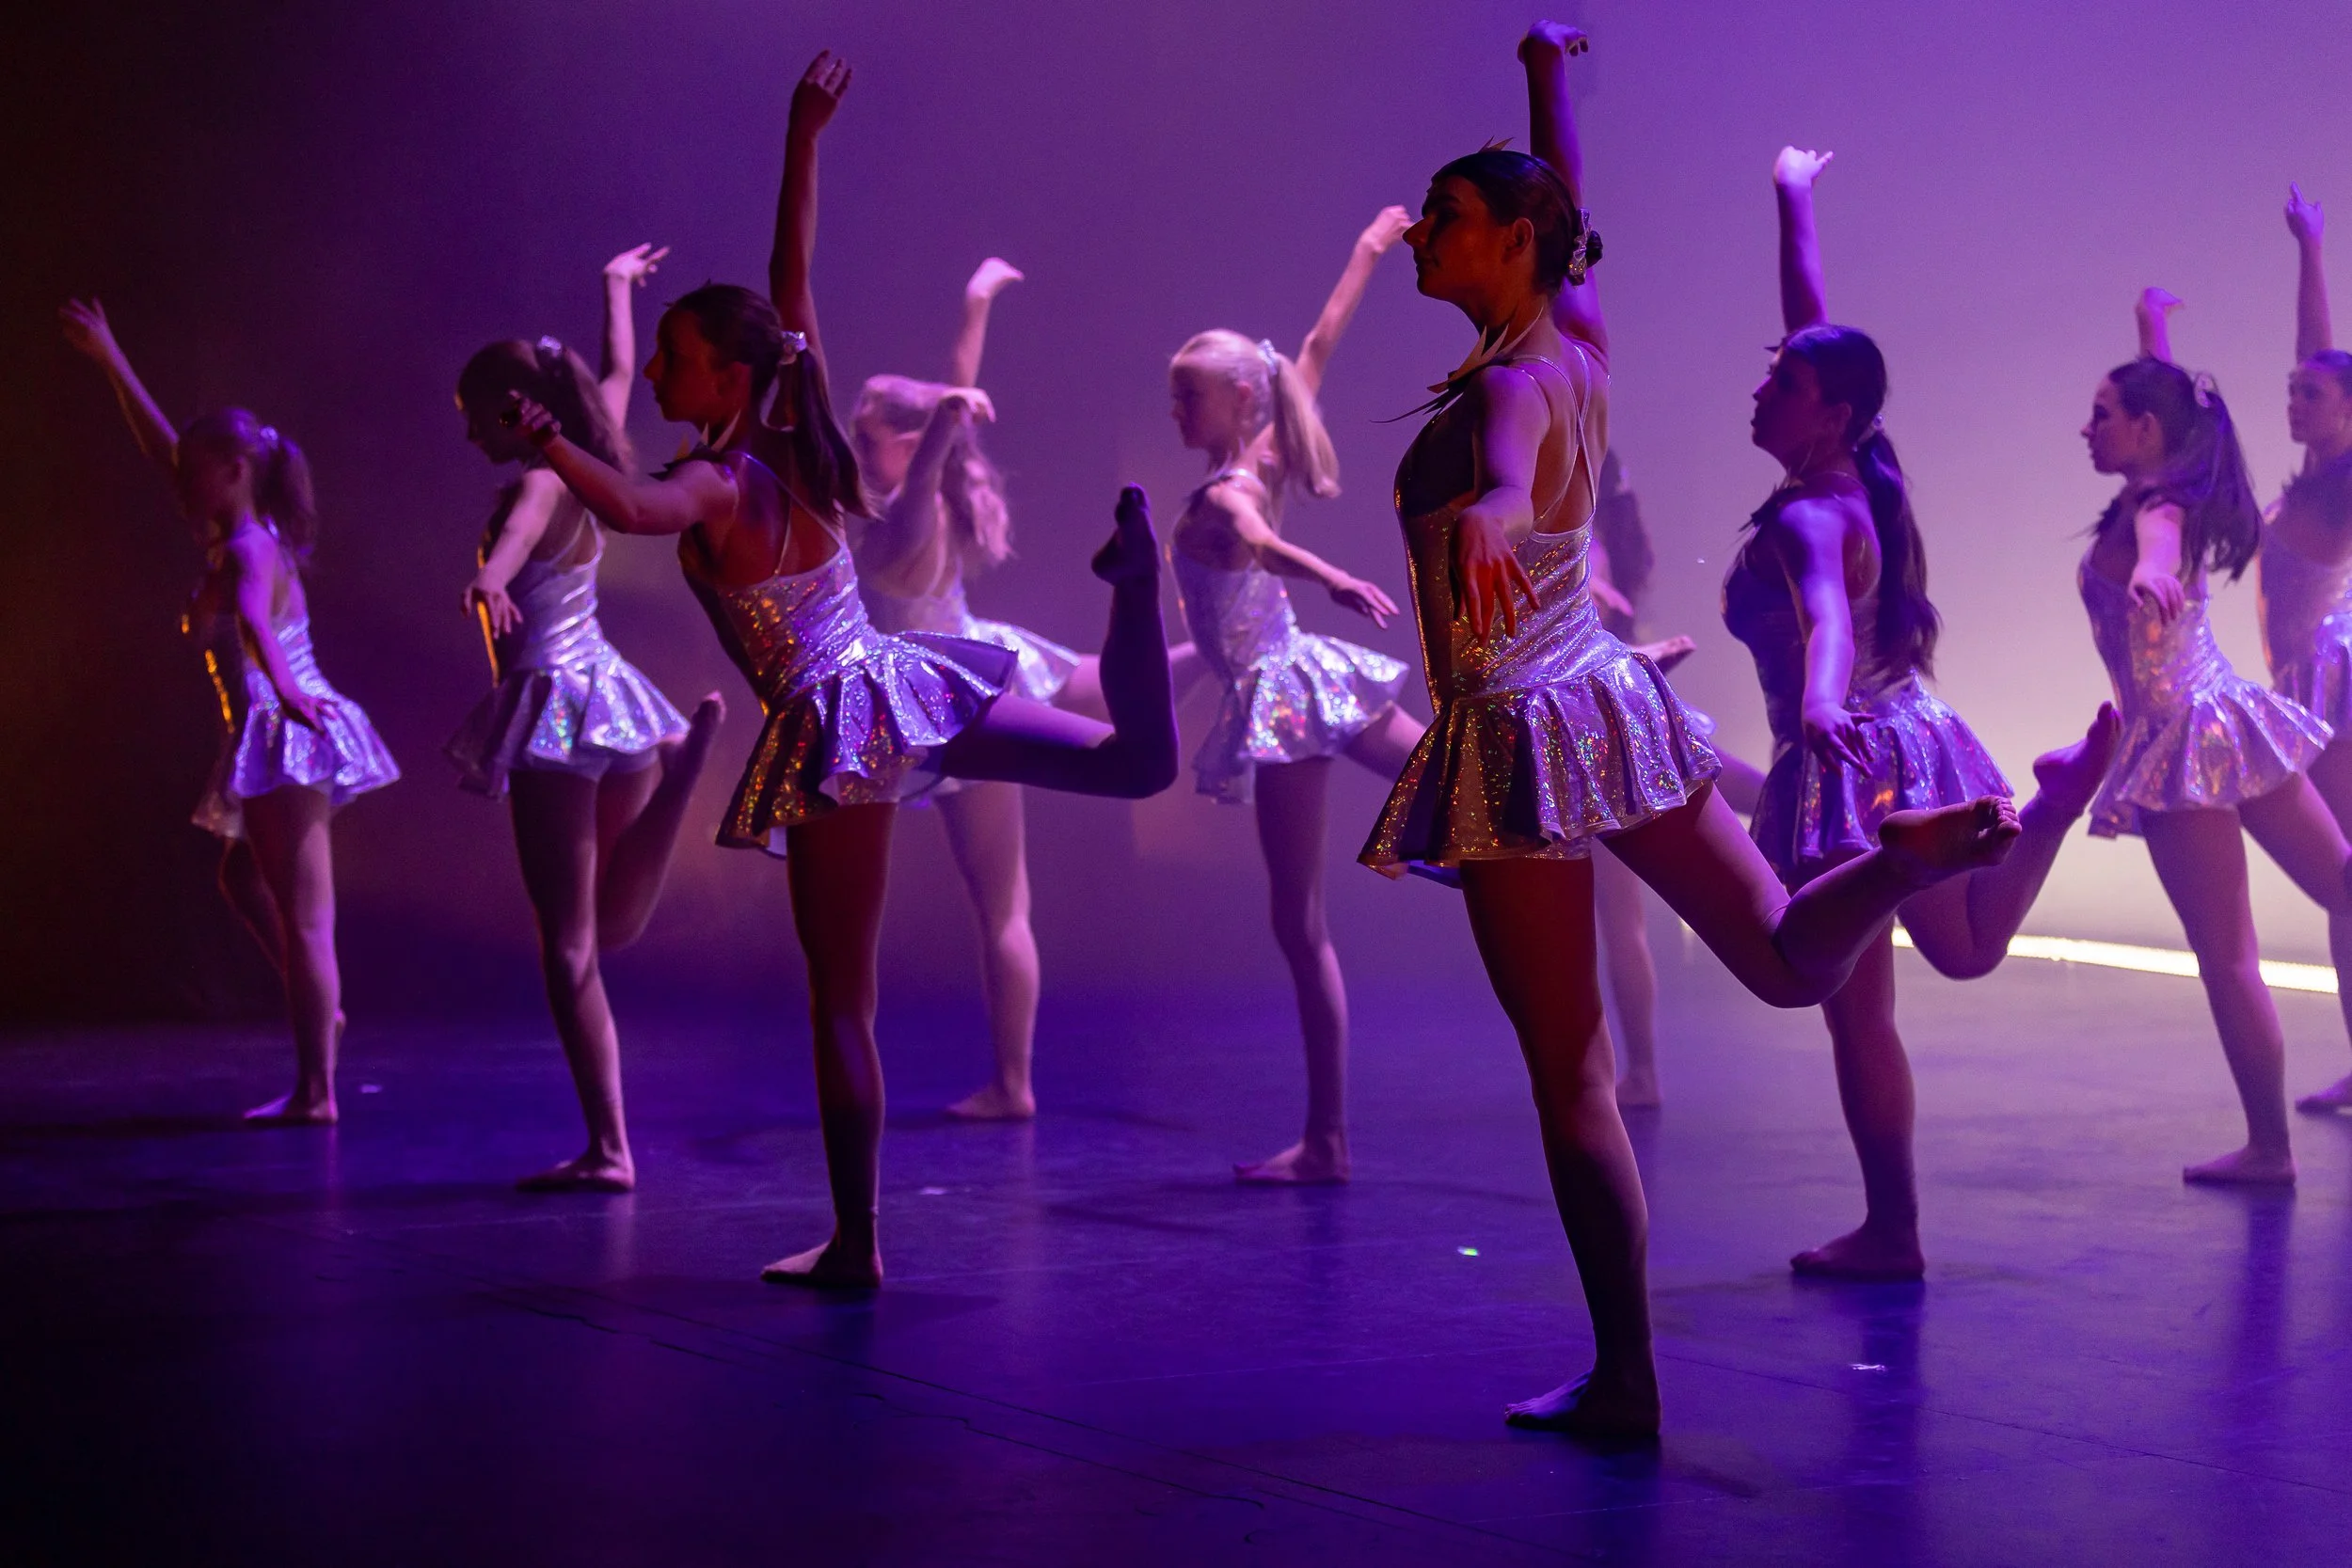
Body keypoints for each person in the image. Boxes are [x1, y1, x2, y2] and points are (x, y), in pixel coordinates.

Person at [1358, 24, 2016, 1437]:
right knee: (1788, 962)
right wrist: (1547, 82)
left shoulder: (1515, 387)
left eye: (1449, 214)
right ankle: (1896, 867)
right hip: (1607, 693)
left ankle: (1629, 1374)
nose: (1422, 227)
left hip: (1523, 733)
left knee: (1571, 1069)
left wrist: (1485, 517)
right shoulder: (1576, 335)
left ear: (1517, 237)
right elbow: (1572, 226)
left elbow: (1509, 470)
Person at [505, 52, 1177, 1289]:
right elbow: (790, 279)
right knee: (1135, 761)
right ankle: (1134, 595)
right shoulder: (792, 437)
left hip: (834, 722)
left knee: (842, 1001)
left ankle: (857, 1241)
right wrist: (803, 136)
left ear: (727, 375)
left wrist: (546, 434)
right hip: (902, 677)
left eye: (675, 356)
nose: (657, 374)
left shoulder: (716, 475)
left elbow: (636, 508)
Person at [1723, 146, 2121, 1276]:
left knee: (1856, 1008)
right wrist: (1793, 198)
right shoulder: (1860, 460)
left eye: (1778, 384)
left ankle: (1891, 1230)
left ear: (1825, 412)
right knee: (1967, 953)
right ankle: (2043, 811)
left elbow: (1825, 619)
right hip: (1917, 732)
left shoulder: (1808, 517)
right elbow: (1817, 329)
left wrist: (1810, 702)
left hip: (1849, 749)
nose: (1760, 387)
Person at [60, 298, 400, 1124]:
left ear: (235, 471)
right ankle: (318, 1012)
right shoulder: (239, 531)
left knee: (306, 916)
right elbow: (162, 447)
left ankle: (317, 1091)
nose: (181, 479)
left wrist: (285, 693)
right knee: (242, 878)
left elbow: (253, 618)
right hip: (274, 723)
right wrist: (111, 360)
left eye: (197, 470)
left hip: (289, 728)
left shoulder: (249, 548)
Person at [446, 243, 725, 1190]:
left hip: (556, 711)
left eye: (471, 419)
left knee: (568, 946)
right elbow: (609, 376)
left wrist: (485, 575)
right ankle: (680, 771)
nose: (468, 436)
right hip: (613, 699)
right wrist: (612, 287)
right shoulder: (579, 453)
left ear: (507, 411)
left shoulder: (534, 479)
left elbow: (518, 532)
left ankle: (610, 1148)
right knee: (607, 930)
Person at [1165, 207, 1427, 1183]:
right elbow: (1316, 343)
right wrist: (1365, 249)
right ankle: (1537, 772)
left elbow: (1261, 540)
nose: (1175, 417)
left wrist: (1328, 576)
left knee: (1298, 921)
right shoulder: (1263, 452)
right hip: (1297, 676)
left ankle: (1326, 1139)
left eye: (1187, 400)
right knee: (1440, 769)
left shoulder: (1232, 491)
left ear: (1238, 399)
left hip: (1282, 695)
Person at [2086, 285, 2352, 1184]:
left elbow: (2159, 548)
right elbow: (2179, 423)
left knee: (2229, 955)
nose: (2087, 430)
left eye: (2104, 416)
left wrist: (2150, 580)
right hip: (2231, 718)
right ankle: (2267, 1145)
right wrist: (2151, 333)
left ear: (2149, 431)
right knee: (2345, 884)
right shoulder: (2167, 483)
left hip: (2180, 747)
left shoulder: (2158, 511)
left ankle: (2270, 1149)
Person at [849, 258, 1079, 1121]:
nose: (857, 447)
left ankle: (1012, 1084)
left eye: (870, 436)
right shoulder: (927, 495)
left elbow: (942, 429)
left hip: (933, 702)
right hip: (964, 679)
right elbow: (951, 408)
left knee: (1000, 905)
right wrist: (975, 300)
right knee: (1002, 907)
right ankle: (1012, 1083)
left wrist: (946, 414)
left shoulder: (910, 510)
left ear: (910, 448)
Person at [1584, 451, 1766, 1108]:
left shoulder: (1582, 545)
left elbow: (1590, 640)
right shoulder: (1602, 539)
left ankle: (1642, 1072)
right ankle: (1641, 1072)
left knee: (1620, 916)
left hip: (1606, 725)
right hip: (1621, 713)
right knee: (1740, 787)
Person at [2258, 186, 2352, 1116]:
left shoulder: (2345, 482)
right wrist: (2308, 247)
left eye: (2309, 395)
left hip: (2337, 683)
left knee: (2347, 880)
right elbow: (2316, 352)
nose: (2292, 399)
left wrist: (2315, 249)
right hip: (2304, 685)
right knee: (2343, 885)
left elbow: (2327, 359)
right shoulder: (2317, 475)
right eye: (2290, 392)